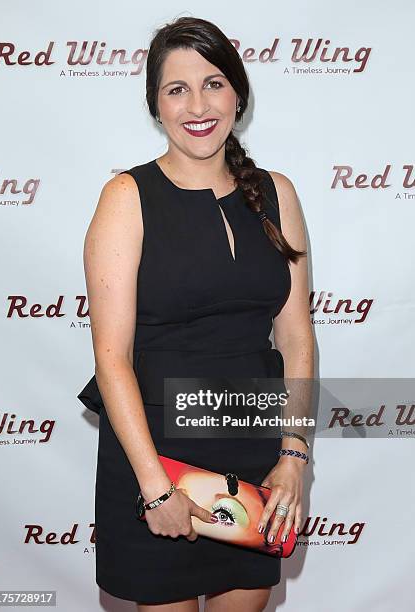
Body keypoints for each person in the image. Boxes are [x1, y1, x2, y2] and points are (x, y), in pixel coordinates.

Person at [77, 15, 314, 612]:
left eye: (212, 83)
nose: (197, 105)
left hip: (254, 449)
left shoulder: (277, 192)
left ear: (238, 92)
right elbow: (111, 357)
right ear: (156, 106)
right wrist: (156, 489)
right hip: (154, 457)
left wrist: (293, 457)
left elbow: (296, 340)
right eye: (175, 89)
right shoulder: (126, 198)